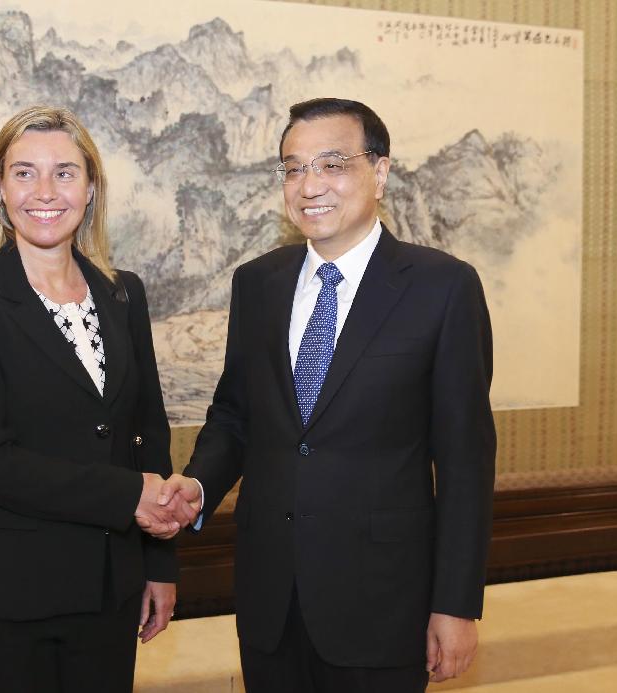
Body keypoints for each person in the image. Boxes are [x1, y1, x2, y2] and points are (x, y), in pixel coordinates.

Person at [146, 98, 496, 692]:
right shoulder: (258, 283)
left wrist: (456, 604)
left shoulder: (443, 287)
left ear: (379, 172)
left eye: (332, 164)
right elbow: (236, 415)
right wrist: (199, 484)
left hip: (384, 604)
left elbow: (466, 462)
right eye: (293, 168)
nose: (310, 185)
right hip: (270, 601)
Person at [0, 105, 196, 693]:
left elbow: (147, 433)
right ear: (0, 187)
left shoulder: (124, 294)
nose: (45, 192)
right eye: (24, 173)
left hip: (108, 594)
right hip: (0, 598)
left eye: (65, 172)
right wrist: (129, 496)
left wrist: (159, 565)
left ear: (91, 186)